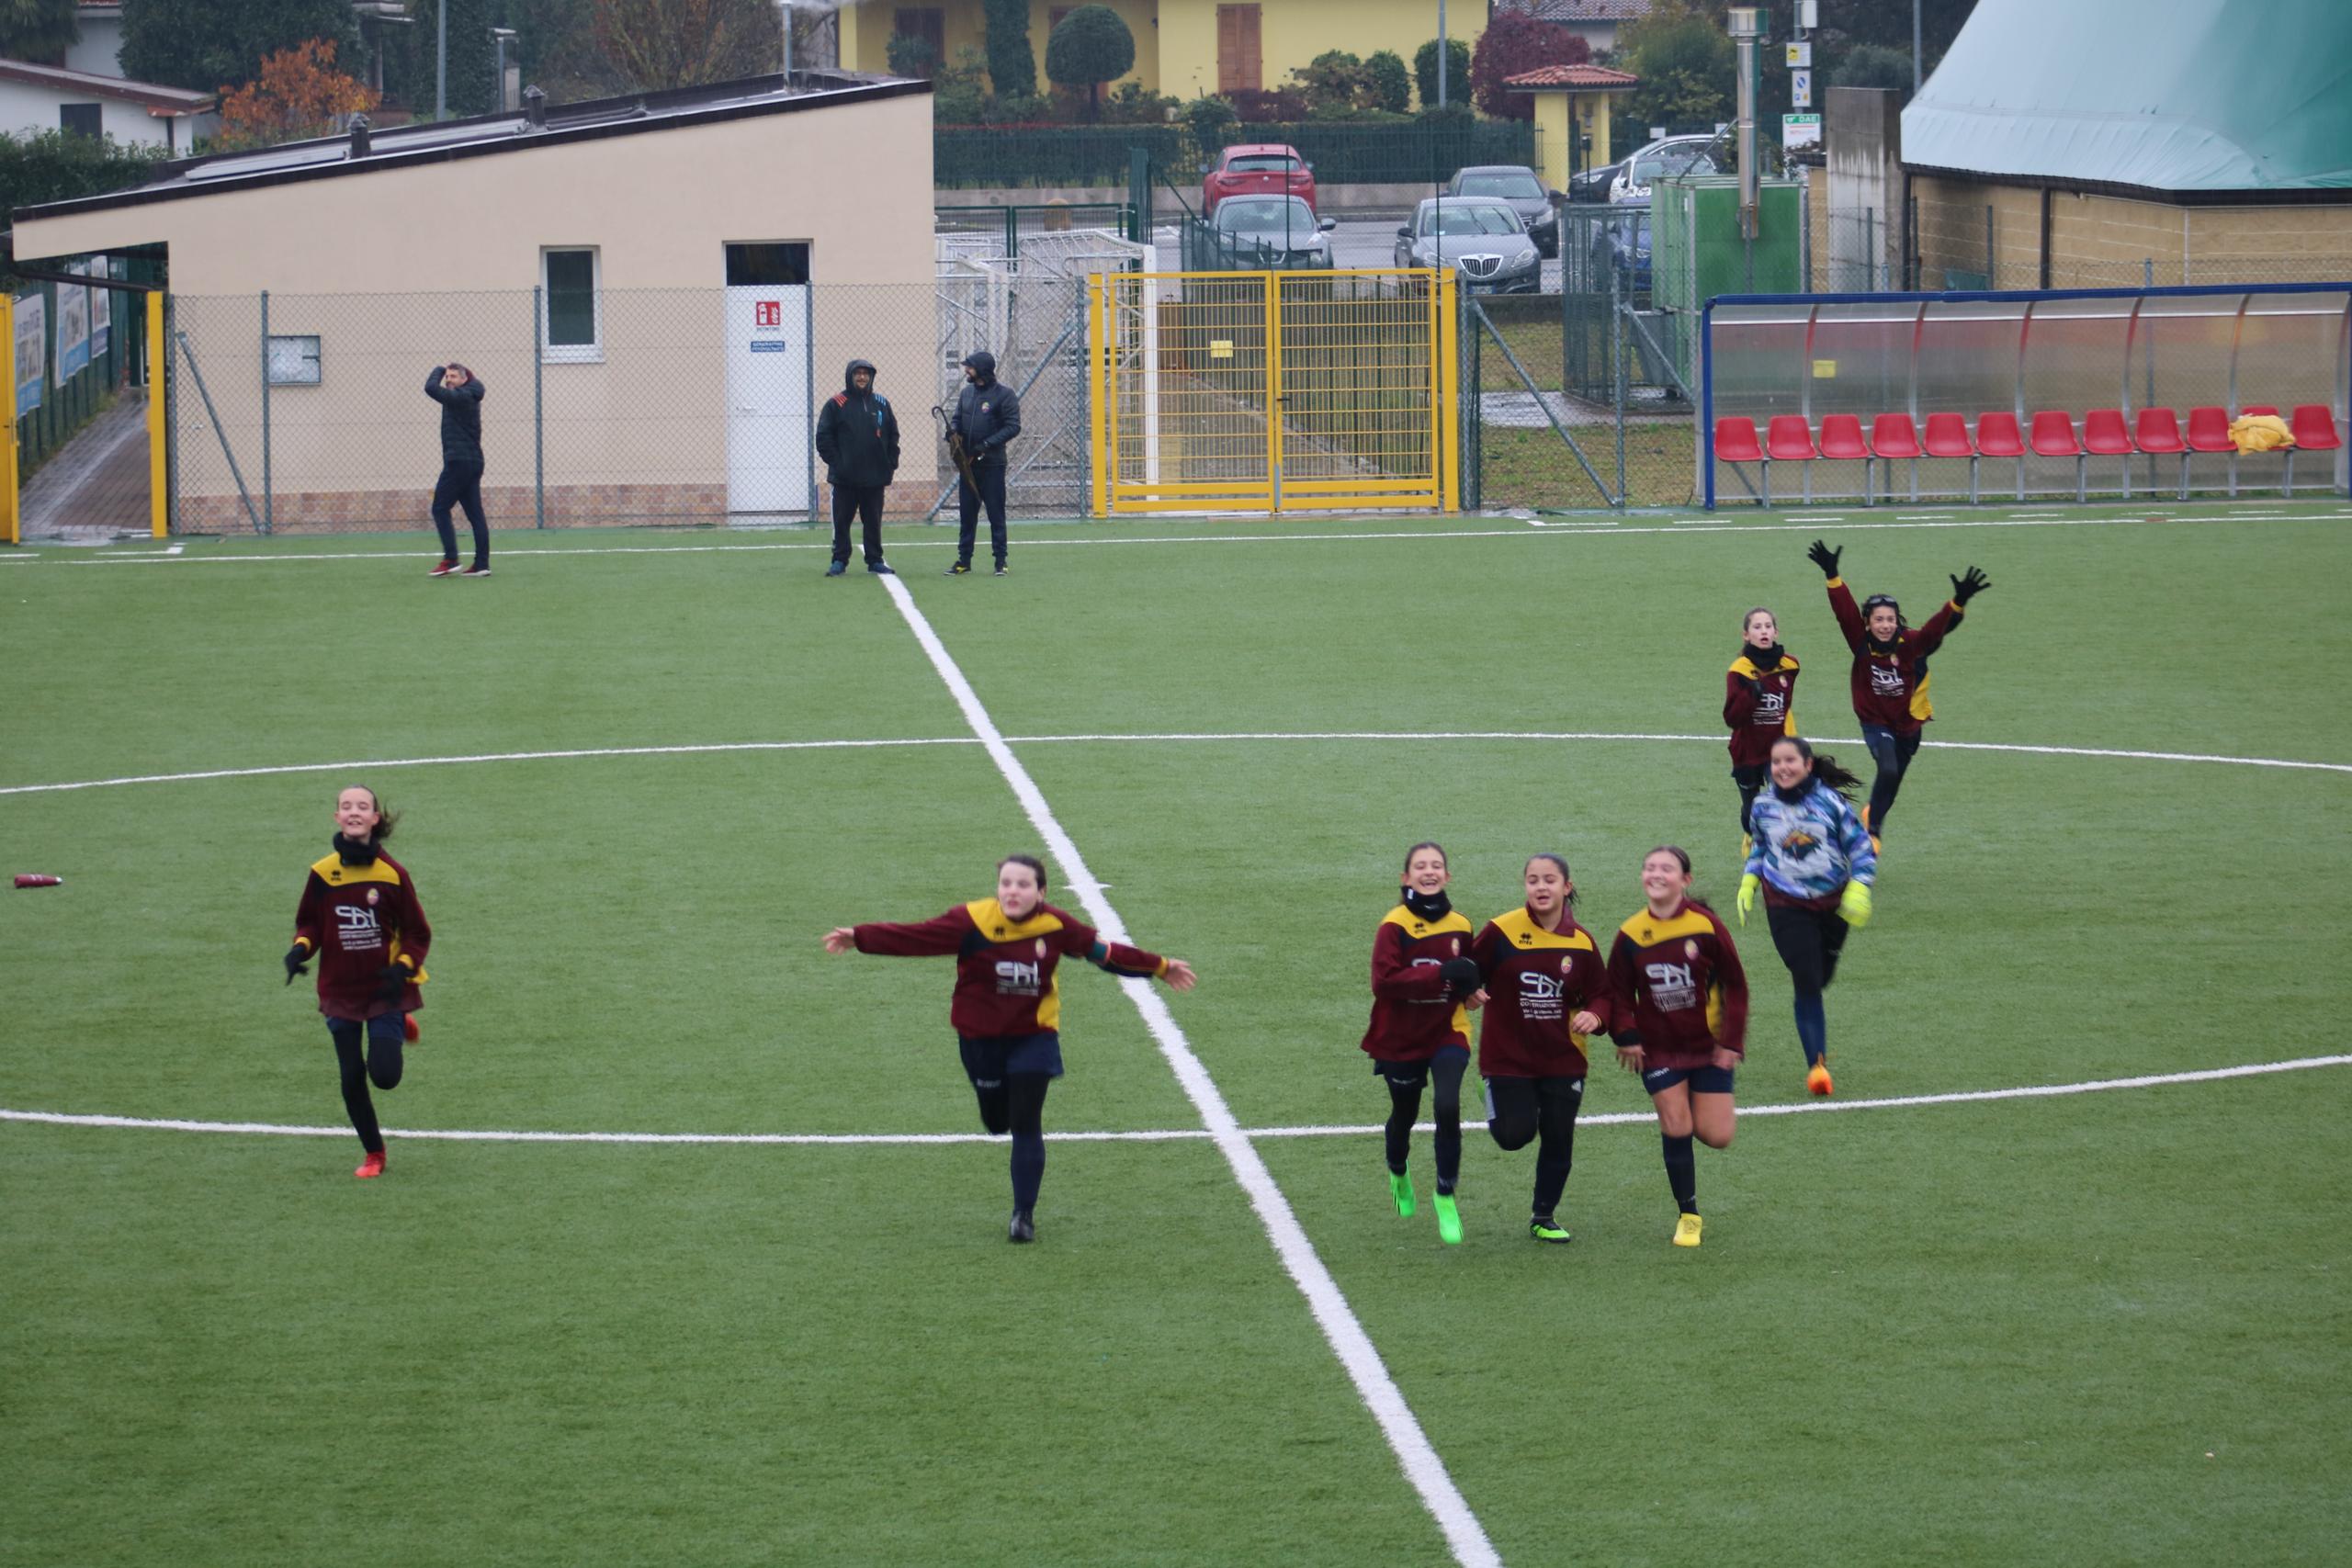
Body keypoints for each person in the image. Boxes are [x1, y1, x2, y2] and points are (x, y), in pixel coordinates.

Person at [823, 855, 1194, 1243]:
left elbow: (1104, 954)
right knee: (996, 1121)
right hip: (980, 1039)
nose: (1013, 891)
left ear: (1041, 892)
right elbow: (916, 937)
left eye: (1023, 884)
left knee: (1025, 1121)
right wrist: (861, 937)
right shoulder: (972, 920)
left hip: (1034, 1036)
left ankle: (1023, 1216)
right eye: (1006, 883)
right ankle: (1001, 1130)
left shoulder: (1057, 926)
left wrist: (1160, 966)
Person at [1466, 853, 1617, 1244]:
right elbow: (1469, 968)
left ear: (1567, 887)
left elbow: (1603, 994)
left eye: (1549, 880)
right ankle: (1492, 1092)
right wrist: (1469, 989)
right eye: (1533, 880)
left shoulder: (1581, 942)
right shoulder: (1502, 931)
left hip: (1564, 1059)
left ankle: (1543, 1216)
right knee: (1513, 1136)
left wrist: (1597, 1018)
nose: (1540, 887)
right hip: (1508, 1058)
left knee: (1558, 1137)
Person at [284, 786, 432, 1179]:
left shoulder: (393, 874)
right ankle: (374, 1153)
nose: (354, 812)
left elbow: (418, 933)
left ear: (374, 819)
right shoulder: (321, 873)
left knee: (384, 1077)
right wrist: (300, 949)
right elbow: (310, 922)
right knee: (351, 1075)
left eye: (362, 807)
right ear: (337, 817)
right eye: (346, 806)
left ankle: (398, 1022)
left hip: (385, 991)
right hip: (339, 991)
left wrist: (401, 968)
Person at [1606, 847, 1748, 1248]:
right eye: (1649, 867)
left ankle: (1690, 1119)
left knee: (1717, 1135)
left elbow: (1736, 985)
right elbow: (1616, 992)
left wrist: (1730, 1042)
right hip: (1659, 1050)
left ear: (1684, 880)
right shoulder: (1631, 934)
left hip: (1708, 1048)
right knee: (1677, 1124)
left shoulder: (1706, 926)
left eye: (1666, 869)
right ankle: (1689, 1214)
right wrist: (1627, 1036)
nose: (1656, 874)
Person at [1805, 540, 1992, 846]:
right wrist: (1832, 575)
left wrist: (1957, 602)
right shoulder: (1861, 643)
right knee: (1887, 767)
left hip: (1909, 725)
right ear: (1868, 623)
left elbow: (1935, 631)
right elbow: (1845, 612)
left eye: (1890, 619)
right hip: (1875, 722)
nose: (1885, 624)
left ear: (1898, 621)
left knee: (1890, 785)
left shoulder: (1911, 644)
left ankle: (1871, 816)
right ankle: (1873, 836)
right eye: (1878, 619)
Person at [1362, 841, 1484, 1246]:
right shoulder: (1393, 925)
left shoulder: (1462, 925)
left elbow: (1465, 975)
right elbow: (1384, 983)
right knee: (1405, 1114)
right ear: (1406, 877)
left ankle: (1445, 1194)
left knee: (1447, 1104)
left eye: (1436, 866)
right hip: (1400, 1039)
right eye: (1420, 866)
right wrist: (1440, 975)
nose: (1428, 872)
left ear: (1447, 876)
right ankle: (1398, 1169)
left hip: (1449, 1031)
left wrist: (1472, 991)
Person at [1738, 737, 1875, 1097]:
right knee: (1807, 979)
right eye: (1776, 762)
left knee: (1822, 976)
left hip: (1833, 904)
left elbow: (1861, 848)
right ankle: (1817, 1067)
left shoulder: (1830, 803)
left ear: (1808, 765)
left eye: (1790, 761)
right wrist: (1750, 880)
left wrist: (1860, 886)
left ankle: (1817, 1048)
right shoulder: (1762, 805)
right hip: (1785, 902)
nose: (1782, 768)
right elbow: (1760, 845)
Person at [812, 357, 899, 577]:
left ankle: (875, 560)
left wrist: (890, 464)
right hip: (845, 478)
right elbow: (823, 437)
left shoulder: (881, 403)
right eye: (857, 373)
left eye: (866, 373)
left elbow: (893, 436)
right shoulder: (836, 403)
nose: (862, 377)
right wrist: (838, 463)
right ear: (850, 376)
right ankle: (839, 560)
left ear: (871, 377)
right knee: (842, 522)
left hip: (875, 477)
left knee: (873, 521)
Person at [1725, 606, 1800, 847]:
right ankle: (1750, 834)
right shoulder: (1739, 671)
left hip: (1778, 749)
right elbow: (1732, 718)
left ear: (1776, 632)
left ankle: (1780, 852)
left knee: (1783, 799)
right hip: (1747, 751)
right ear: (1746, 635)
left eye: (1768, 626)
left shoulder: (1791, 666)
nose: (1763, 631)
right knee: (1751, 808)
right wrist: (1751, 694)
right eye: (1757, 627)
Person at [945, 351, 1021, 577]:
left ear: (982, 369)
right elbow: (957, 418)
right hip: (968, 466)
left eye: (970, 367)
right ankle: (964, 560)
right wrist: (952, 433)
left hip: (992, 465)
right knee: (967, 514)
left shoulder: (1005, 395)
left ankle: (1000, 561)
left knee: (995, 513)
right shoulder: (967, 393)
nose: (966, 370)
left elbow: (1013, 426)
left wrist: (985, 445)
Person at [424, 362, 489, 578]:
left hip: (458, 462)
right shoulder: (468, 395)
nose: (448, 380)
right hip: (473, 462)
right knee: (475, 515)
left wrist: (439, 369)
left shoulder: (461, 397)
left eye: (453, 376)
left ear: (464, 379)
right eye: (447, 377)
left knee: (440, 508)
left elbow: (430, 388)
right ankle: (481, 564)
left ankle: (451, 559)